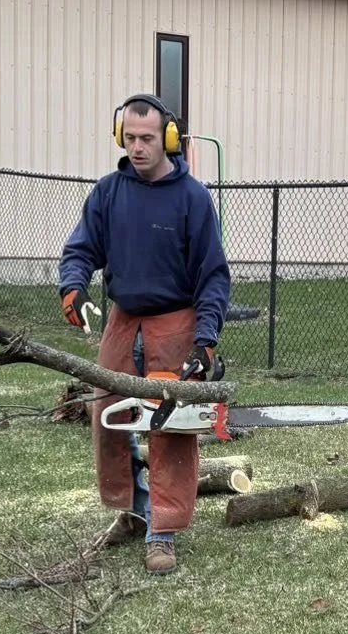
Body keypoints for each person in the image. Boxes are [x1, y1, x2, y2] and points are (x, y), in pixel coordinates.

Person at [58, 95, 230, 576]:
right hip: (123, 319)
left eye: (147, 138)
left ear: (169, 139)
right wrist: (73, 289)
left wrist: (205, 339)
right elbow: (81, 250)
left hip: (176, 322)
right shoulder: (109, 192)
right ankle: (133, 510)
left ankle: (164, 529)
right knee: (108, 416)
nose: (137, 147)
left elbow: (213, 275)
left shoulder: (192, 197)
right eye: (130, 138)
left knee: (170, 426)